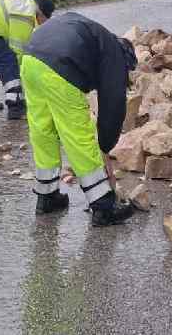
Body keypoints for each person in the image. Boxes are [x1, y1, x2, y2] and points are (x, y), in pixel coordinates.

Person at [20, 12, 137, 226]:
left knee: (42, 130)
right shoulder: (115, 54)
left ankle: (47, 197)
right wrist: (105, 144)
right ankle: (103, 206)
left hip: (30, 60)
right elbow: (113, 106)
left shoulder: (97, 37)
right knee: (78, 134)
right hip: (59, 66)